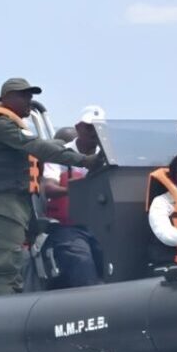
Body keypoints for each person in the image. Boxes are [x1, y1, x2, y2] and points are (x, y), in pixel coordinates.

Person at [0, 78, 103, 296]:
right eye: (23, 95)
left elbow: (36, 144)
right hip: (4, 209)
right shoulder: (2, 125)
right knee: (8, 274)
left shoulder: (11, 126)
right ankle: (6, 325)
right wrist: (84, 160)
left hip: (9, 208)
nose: (29, 100)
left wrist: (58, 144)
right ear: (6, 99)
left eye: (30, 96)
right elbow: (35, 146)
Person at [40, 107, 107, 289]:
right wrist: (76, 188)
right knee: (81, 260)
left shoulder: (109, 154)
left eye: (99, 127)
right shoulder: (61, 154)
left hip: (103, 225)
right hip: (68, 226)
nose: (94, 132)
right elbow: (49, 187)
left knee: (115, 259)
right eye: (89, 127)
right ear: (78, 128)